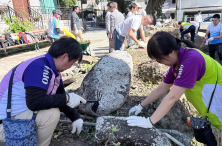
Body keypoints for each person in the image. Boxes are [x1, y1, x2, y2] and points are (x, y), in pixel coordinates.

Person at [127, 31, 222, 145]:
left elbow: (173, 96)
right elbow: (160, 90)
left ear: (171, 52)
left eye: (161, 60)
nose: (162, 63)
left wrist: (150, 121)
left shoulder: (191, 60)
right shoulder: (177, 64)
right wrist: (140, 106)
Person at [0, 37, 87, 146]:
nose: (71, 67)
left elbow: (60, 97)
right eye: (73, 62)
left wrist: (75, 118)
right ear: (64, 57)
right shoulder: (38, 67)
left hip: (16, 116)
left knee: (52, 106)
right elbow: (35, 102)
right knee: (51, 113)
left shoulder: (52, 70)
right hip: (5, 124)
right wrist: (67, 98)